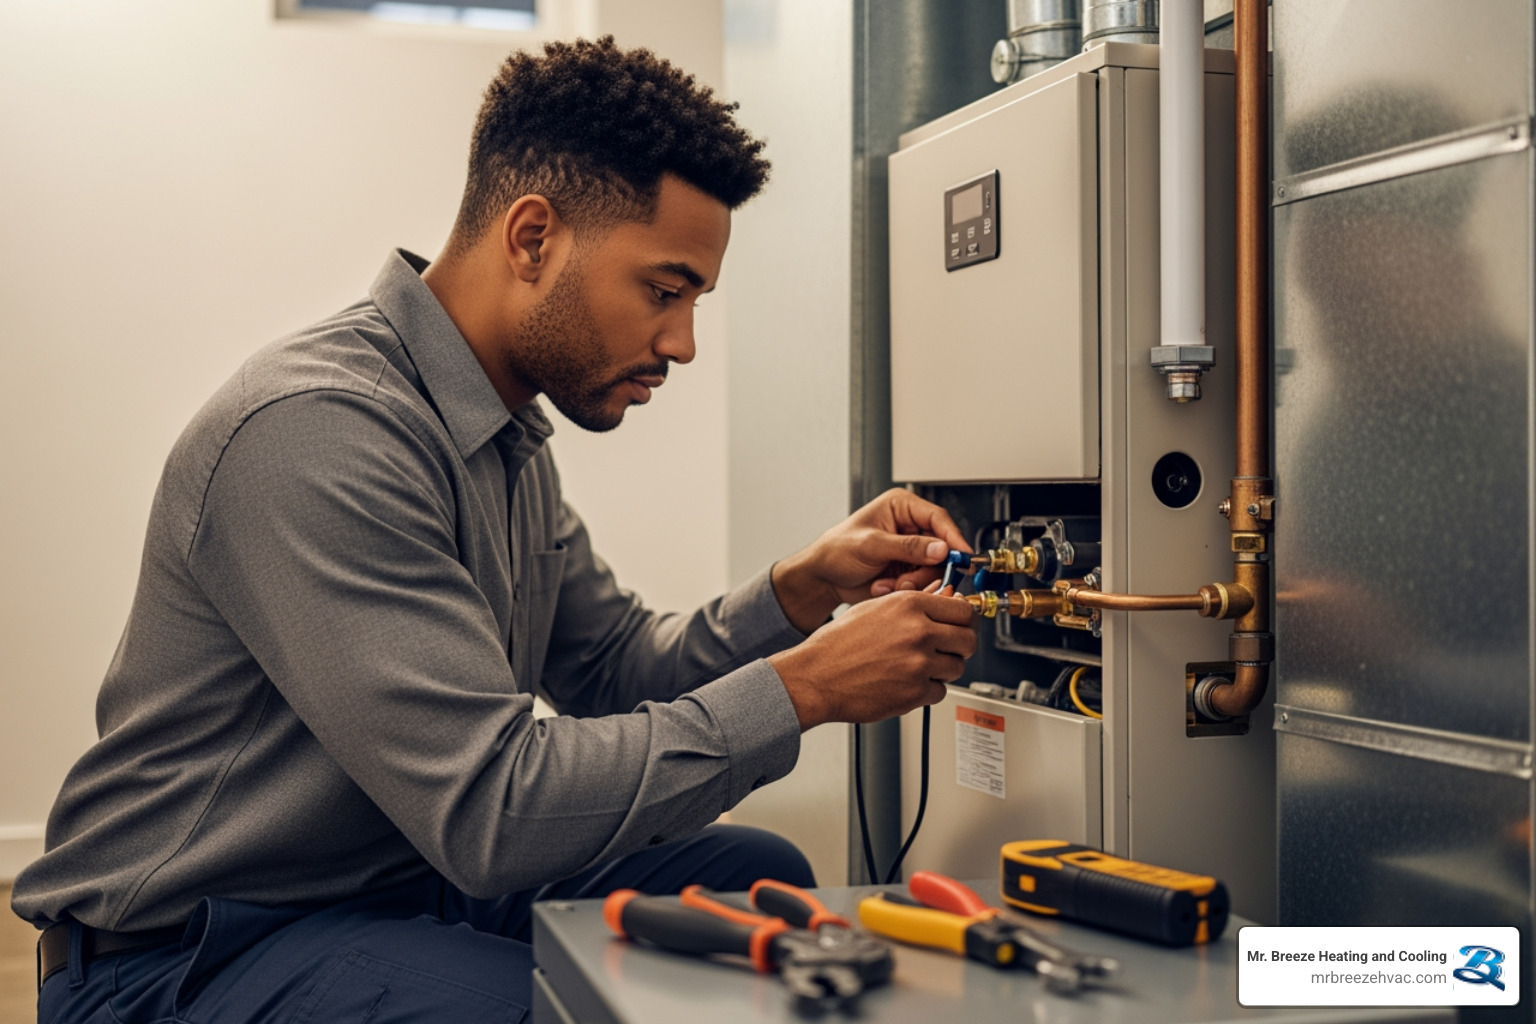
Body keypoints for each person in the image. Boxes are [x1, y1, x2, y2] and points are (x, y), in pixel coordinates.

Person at [13, 36, 976, 1023]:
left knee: (750, 871)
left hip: (391, 886)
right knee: (531, 1009)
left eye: (694, 300)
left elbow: (615, 671)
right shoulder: (320, 433)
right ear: (531, 240)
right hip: (183, 953)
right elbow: (494, 812)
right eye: (664, 289)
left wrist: (803, 591)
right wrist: (811, 685)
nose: (681, 342)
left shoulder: (502, 435)